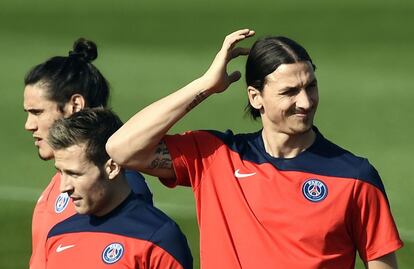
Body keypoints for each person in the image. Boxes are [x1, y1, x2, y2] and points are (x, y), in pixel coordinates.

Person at [106, 29, 403, 269]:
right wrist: (206, 85)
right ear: (255, 97)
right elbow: (121, 149)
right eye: (289, 92)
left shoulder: (355, 177)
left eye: (310, 86)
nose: (306, 102)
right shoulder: (214, 156)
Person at [23, 38, 153, 269]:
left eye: (37, 112)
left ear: (75, 105)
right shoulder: (61, 181)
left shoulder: (119, 185)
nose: (29, 125)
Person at [45, 108, 192, 268]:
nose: (63, 187)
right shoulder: (57, 235)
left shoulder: (159, 239)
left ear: (113, 167)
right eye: (61, 173)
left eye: (75, 174)